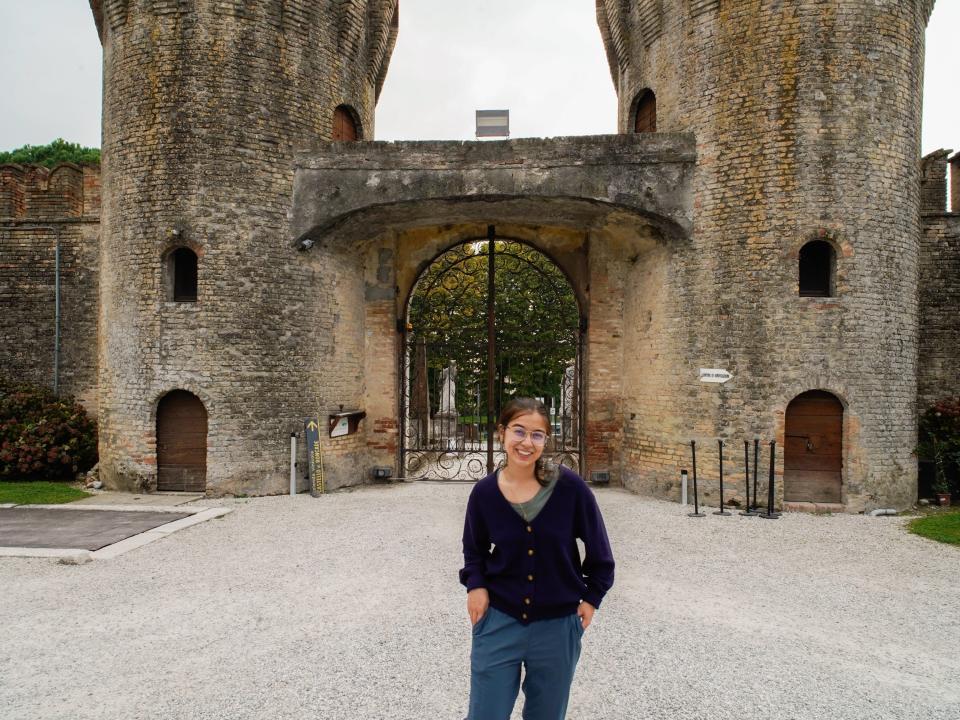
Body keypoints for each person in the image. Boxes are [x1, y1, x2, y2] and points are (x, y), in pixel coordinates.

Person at [459, 397, 615, 720]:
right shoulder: (484, 494)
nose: (526, 443)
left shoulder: (570, 489)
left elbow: (601, 553)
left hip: (558, 627)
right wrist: (476, 586)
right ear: (502, 433)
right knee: (485, 714)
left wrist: (591, 598)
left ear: (546, 439)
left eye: (537, 435)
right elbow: (474, 550)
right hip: (499, 619)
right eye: (519, 431)